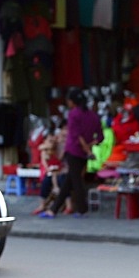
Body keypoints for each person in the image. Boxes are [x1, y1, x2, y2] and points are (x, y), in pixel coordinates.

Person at [40, 88, 102, 218]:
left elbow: (77, 136)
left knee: (76, 181)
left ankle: (82, 209)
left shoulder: (74, 114)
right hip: (84, 153)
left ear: (72, 101)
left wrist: (86, 149)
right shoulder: (93, 115)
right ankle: (53, 210)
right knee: (70, 180)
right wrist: (90, 147)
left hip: (74, 151)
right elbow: (100, 137)